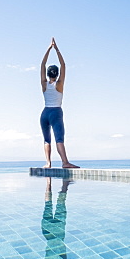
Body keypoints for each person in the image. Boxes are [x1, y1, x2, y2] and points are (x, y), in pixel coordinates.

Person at [40, 37, 78, 168]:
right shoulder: (59, 84)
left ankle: (48, 163)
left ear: (47, 74)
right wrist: (56, 49)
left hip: (45, 113)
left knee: (47, 139)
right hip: (56, 112)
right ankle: (65, 162)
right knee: (59, 139)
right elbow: (63, 65)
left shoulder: (44, 84)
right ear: (57, 74)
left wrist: (48, 49)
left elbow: (42, 64)